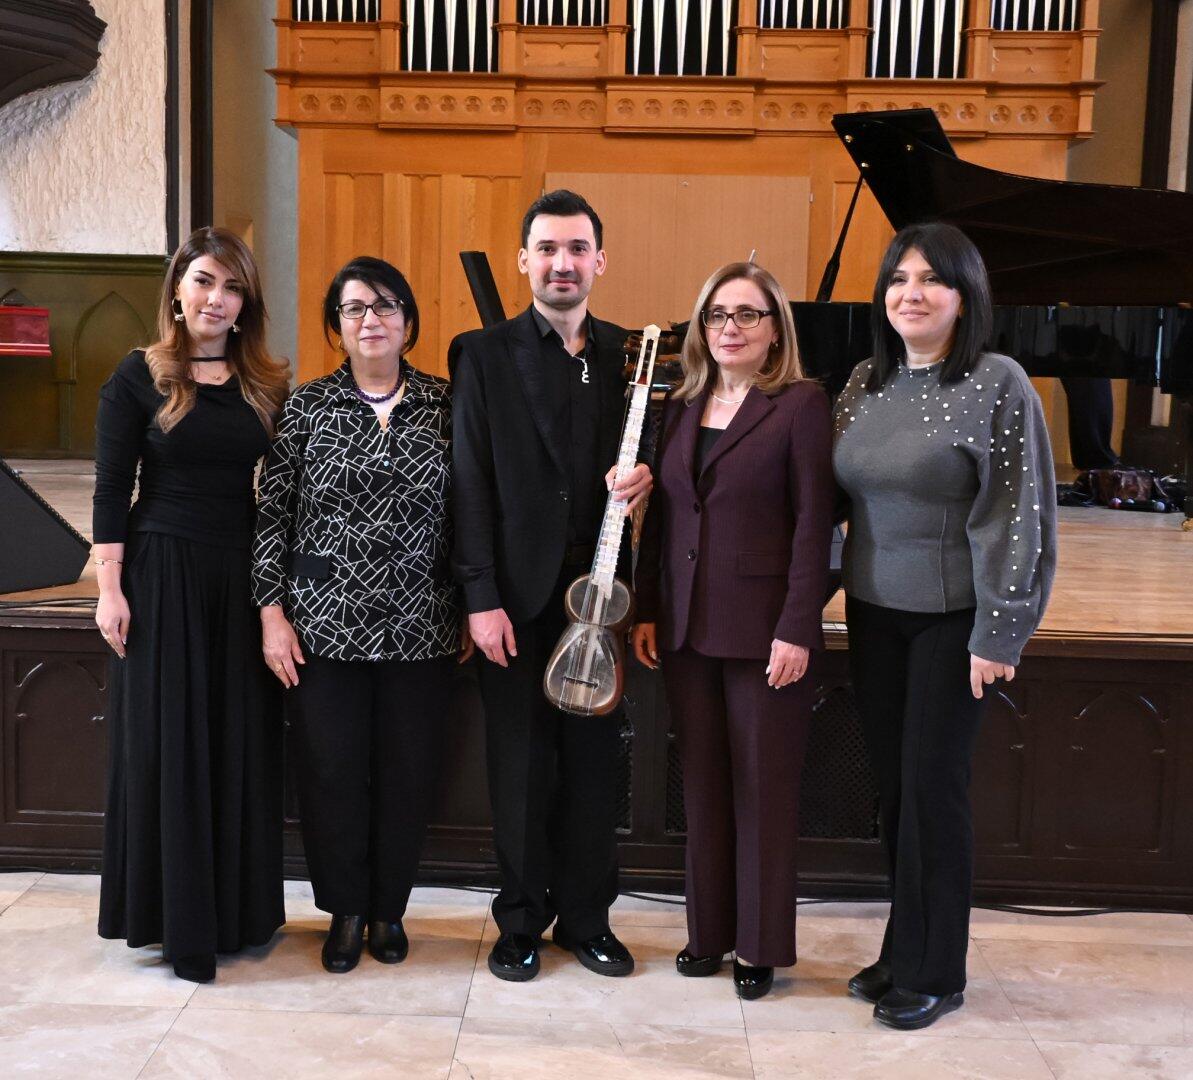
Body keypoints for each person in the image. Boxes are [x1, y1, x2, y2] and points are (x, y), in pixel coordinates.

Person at [832, 222, 1057, 1029]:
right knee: (897, 793)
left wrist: (1001, 629)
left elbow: (1019, 514)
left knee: (933, 793)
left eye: (931, 279)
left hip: (951, 622)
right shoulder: (865, 381)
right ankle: (904, 949)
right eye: (898, 278)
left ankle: (936, 971)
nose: (911, 293)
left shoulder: (997, 383)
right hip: (872, 614)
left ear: (965, 296)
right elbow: (832, 498)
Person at [451, 190, 652, 981]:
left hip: (601, 596)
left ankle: (587, 920)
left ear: (598, 261)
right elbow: (469, 482)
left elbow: (658, 466)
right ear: (523, 260)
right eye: (546, 248)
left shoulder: (630, 355)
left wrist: (646, 477)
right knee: (521, 767)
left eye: (575, 249)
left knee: (593, 768)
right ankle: (520, 921)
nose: (561, 263)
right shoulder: (482, 353)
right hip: (514, 596)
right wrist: (479, 597)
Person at [252, 257, 468, 974]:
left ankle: (388, 910)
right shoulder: (307, 407)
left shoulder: (447, 404)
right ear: (336, 327)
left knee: (408, 774)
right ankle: (345, 910)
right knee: (332, 773)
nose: (371, 319)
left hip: (422, 622)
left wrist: (474, 603)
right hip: (323, 626)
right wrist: (271, 611)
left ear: (408, 320)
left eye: (385, 305)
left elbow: (473, 511)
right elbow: (272, 516)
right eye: (354, 309)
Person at [630, 262, 834, 1000]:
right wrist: (647, 607)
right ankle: (707, 934)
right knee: (704, 789)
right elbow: (666, 516)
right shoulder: (681, 403)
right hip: (686, 628)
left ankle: (758, 945)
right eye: (717, 314)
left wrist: (797, 627)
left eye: (748, 314)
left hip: (764, 633)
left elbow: (815, 524)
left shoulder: (800, 404)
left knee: (761, 791)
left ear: (775, 328)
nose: (730, 328)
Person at [93, 226, 289, 983]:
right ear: (178, 289)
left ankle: (233, 916)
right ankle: (174, 922)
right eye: (205, 280)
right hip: (163, 570)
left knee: (233, 738)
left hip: (240, 575)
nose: (217, 298)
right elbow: (113, 487)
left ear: (246, 305)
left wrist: (275, 598)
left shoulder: (265, 381)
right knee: (170, 741)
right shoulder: (138, 374)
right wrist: (110, 588)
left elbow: (281, 495)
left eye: (232, 287)